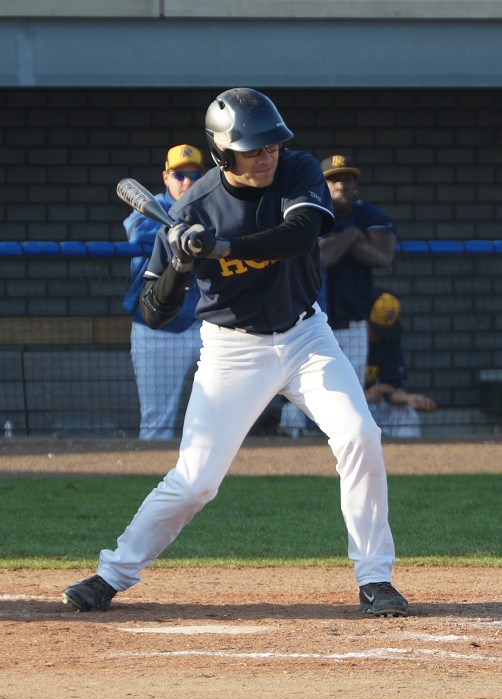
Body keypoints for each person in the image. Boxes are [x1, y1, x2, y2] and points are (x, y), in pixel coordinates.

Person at [62, 87, 408, 618]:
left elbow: (300, 236)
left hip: (306, 336)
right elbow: (154, 311)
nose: (267, 155)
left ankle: (375, 577)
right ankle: (113, 573)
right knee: (196, 481)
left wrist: (222, 247)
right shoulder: (192, 208)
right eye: (253, 148)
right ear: (224, 153)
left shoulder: (297, 170)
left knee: (360, 434)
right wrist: (181, 264)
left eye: (272, 144)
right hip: (232, 349)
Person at [123, 144, 204, 439]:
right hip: (157, 328)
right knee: (157, 425)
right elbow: (139, 233)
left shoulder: (211, 204)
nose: (187, 181)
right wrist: (182, 227)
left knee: (220, 419)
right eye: (179, 175)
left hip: (204, 325)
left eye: (194, 174)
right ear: (166, 177)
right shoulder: (150, 207)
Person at [318, 154, 397, 387]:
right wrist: (353, 234)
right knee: (308, 397)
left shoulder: (367, 214)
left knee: (352, 393)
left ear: (355, 185)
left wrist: (337, 241)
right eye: (333, 180)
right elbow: (322, 258)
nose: (341, 185)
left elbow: (383, 257)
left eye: (347, 179)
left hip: (354, 327)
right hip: (314, 326)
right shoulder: (311, 214)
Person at [365, 289, 437, 438]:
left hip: (372, 406)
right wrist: (366, 394)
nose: (379, 335)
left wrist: (408, 398)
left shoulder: (388, 339)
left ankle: (406, 454)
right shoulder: (344, 340)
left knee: (407, 415)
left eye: (384, 330)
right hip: (344, 409)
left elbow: (392, 387)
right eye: (376, 329)